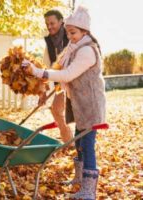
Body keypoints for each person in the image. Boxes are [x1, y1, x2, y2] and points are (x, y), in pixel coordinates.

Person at [22, 6, 106, 199]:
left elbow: (67, 74)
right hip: (78, 103)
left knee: (87, 143)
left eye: (73, 33)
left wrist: (39, 72)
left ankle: (88, 190)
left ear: (85, 32)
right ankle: (79, 179)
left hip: (90, 104)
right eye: (68, 32)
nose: (70, 36)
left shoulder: (87, 51)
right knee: (79, 141)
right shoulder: (74, 48)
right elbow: (58, 68)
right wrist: (44, 84)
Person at [42, 10, 73, 143]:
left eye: (52, 23)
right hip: (60, 83)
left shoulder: (71, 35)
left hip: (75, 80)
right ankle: (68, 141)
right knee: (56, 109)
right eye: (47, 24)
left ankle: (83, 145)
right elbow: (46, 68)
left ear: (61, 21)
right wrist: (42, 91)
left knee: (79, 113)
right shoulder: (49, 42)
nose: (49, 27)